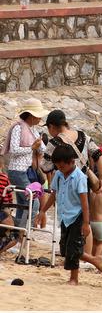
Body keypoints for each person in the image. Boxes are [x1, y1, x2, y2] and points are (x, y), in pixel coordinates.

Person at [35, 144, 102, 283]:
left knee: (73, 248)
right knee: (65, 250)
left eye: (62, 166)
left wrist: (86, 223)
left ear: (72, 162)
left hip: (78, 216)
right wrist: (43, 211)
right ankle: (94, 259)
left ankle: (74, 279)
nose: (60, 169)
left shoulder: (79, 178)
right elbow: (53, 195)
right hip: (64, 217)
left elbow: (85, 203)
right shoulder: (58, 175)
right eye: (58, 167)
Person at [4, 99, 47, 232]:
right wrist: (32, 147)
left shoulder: (32, 129)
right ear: (31, 115)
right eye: (38, 115)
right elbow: (14, 150)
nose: (40, 118)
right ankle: (22, 231)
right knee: (33, 203)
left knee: (23, 203)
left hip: (25, 170)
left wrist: (38, 146)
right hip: (17, 170)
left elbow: (43, 149)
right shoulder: (18, 127)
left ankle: (17, 231)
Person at [40, 109, 102, 191]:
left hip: (65, 189)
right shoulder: (83, 136)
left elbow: (45, 167)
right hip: (84, 187)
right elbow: (98, 155)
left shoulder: (53, 143)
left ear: (51, 126)